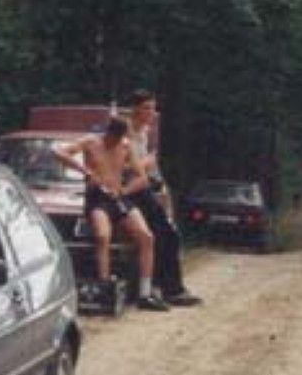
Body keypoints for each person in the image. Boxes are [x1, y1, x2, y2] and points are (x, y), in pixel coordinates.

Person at [53, 116, 168, 311]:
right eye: (114, 138)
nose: (116, 143)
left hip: (118, 197)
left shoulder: (125, 146)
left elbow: (142, 178)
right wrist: (85, 171)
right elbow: (58, 152)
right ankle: (104, 285)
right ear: (108, 133)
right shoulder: (91, 142)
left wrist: (125, 190)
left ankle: (145, 292)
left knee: (146, 237)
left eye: (120, 139)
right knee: (102, 235)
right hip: (97, 199)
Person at [125, 90, 202, 307]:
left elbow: (147, 166)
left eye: (153, 108)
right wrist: (145, 163)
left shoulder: (144, 132)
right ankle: (160, 287)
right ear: (135, 109)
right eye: (147, 108)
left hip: (144, 188)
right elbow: (125, 164)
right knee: (157, 235)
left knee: (169, 234)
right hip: (130, 190)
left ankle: (171, 288)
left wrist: (153, 175)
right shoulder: (126, 133)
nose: (152, 112)